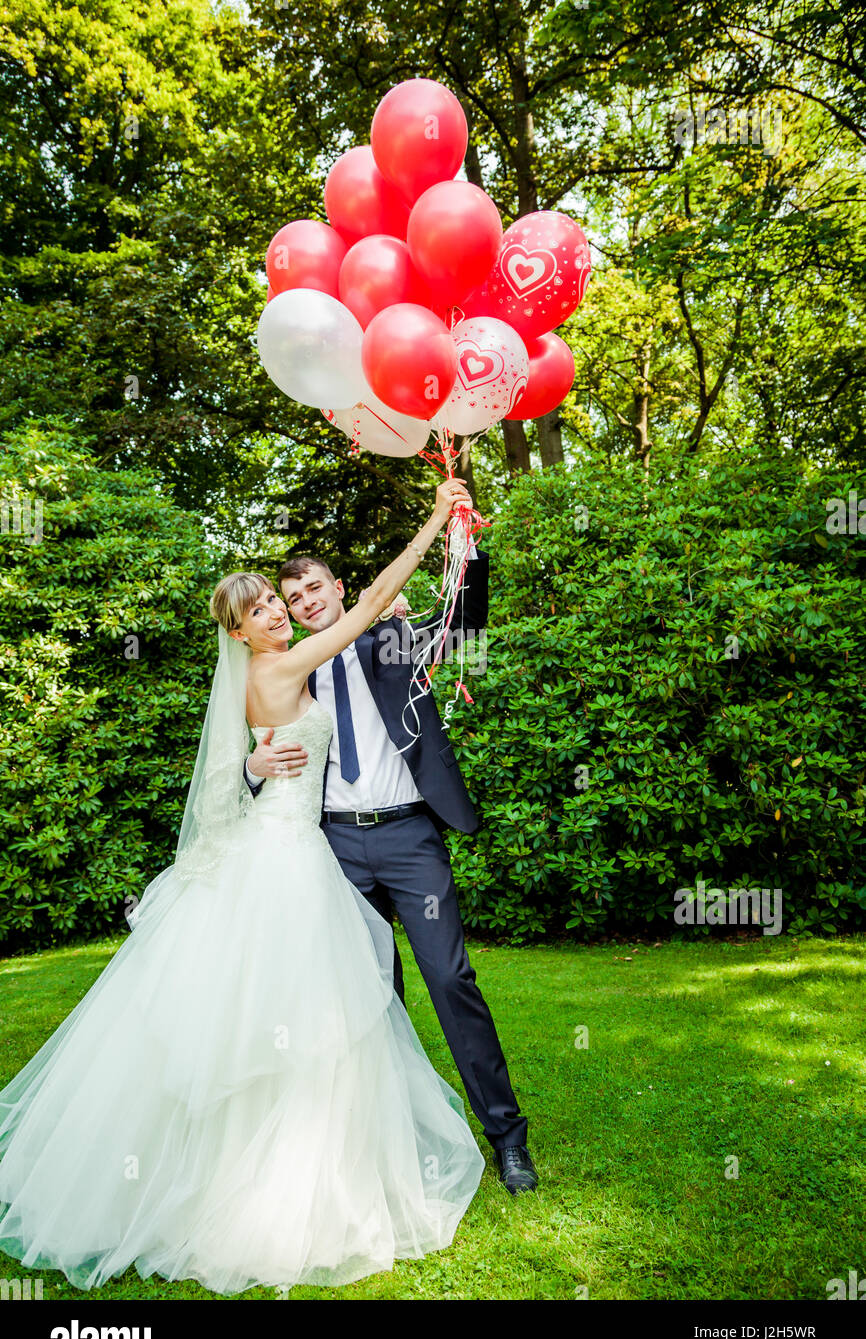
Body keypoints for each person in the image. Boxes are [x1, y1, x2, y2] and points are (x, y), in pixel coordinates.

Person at [0, 480, 486, 1296]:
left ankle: (295, 1154)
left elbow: (239, 764)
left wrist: (259, 763)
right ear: (239, 630)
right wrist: (438, 521)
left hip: (294, 846)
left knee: (290, 1014)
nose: (276, 613)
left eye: (275, 601)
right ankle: (277, 1181)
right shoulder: (283, 663)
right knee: (308, 1014)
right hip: (291, 859)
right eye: (260, 608)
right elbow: (367, 606)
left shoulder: (264, 676)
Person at [244, 487, 537, 1196]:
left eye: (315, 587)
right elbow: (252, 752)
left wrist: (462, 536)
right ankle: (393, 1139)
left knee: (450, 980)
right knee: (367, 997)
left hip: (408, 836)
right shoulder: (289, 665)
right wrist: (252, 767)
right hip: (333, 850)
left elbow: (466, 626)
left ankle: (507, 1137)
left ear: (339, 589)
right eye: (293, 595)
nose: (305, 600)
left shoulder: (393, 633)